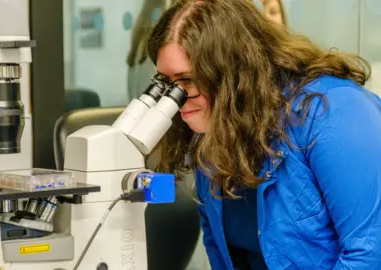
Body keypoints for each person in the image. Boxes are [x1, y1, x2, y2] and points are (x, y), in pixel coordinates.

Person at [147, 0, 381, 269]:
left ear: (234, 72)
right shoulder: (214, 130)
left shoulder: (333, 109)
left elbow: (370, 252)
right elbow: (219, 249)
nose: (176, 99)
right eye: (166, 82)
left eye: (188, 80)